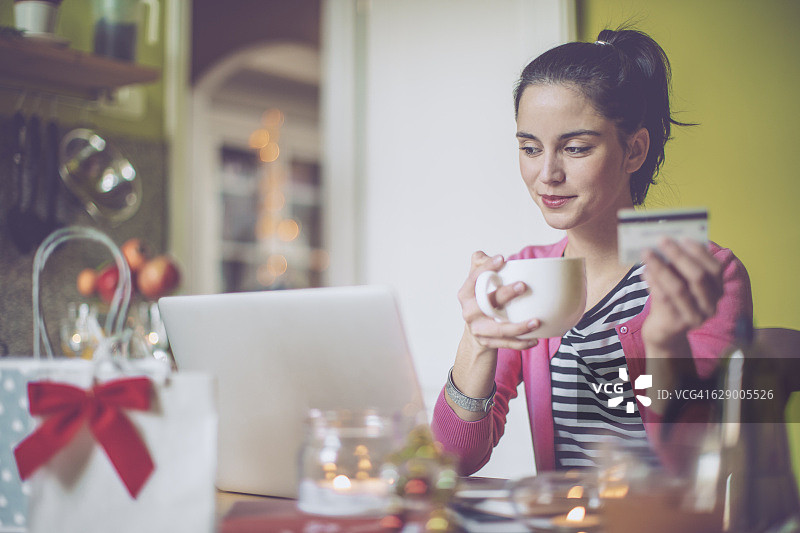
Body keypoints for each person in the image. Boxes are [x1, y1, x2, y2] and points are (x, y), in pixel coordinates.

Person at [430, 28, 753, 475]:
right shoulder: (528, 272)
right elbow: (451, 460)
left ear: (634, 150)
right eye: (529, 148)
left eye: (576, 148)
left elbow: (701, 460)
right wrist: (478, 341)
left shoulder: (706, 272)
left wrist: (664, 344)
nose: (547, 174)